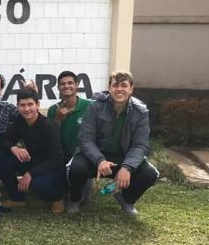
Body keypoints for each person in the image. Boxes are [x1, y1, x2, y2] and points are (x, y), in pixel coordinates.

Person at [66, 70, 159, 217]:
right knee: (76, 168)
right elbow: (85, 138)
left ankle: (126, 199)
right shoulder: (95, 107)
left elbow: (140, 145)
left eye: (124, 85)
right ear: (109, 88)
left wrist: (128, 167)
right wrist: (100, 160)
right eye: (115, 85)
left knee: (149, 174)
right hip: (97, 156)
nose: (119, 89)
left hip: (124, 157)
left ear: (131, 88)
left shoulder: (140, 112)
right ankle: (76, 198)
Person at [0, 89, 67, 213]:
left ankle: (58, 197)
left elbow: (57, 158)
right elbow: (2, 139)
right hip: (33, 161)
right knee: (4, 156)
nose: (26, 109)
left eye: (30, 104)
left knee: (37, 183)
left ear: (37, 105)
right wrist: (14, 148)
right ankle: (17, 198)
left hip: (52, 166)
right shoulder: (20, 121)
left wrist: (30, 173)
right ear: (18, 106)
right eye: (22, 105)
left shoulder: (49, 126)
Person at [46, 70, 92, 156]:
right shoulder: (53, 110)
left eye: (70, 83)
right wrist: (58, 119)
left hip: (85, 157)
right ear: (58, 87)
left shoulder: (90, 106)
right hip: (61, 157)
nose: (66, 86)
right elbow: (50, 139)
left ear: (76, 85)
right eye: (63, 84)